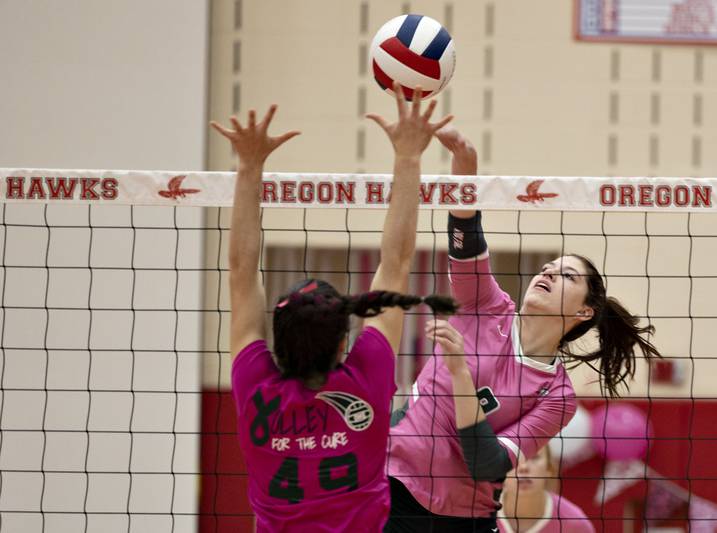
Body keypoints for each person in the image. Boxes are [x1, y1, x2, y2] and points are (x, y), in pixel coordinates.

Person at [385, 127, 661, 532]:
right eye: (548, 266)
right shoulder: (487, 305)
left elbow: (488, 464)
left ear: (585, 311)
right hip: (391, 486)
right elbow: (464, 239)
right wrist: (466, 172)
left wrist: (461, 373)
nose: (548, 272)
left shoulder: (558, 395)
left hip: (464, 517)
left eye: (567, 275)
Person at [211, 83, 454, 532]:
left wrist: (248, 167)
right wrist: (408, 157)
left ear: (276, 341)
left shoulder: (256, 385)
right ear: (345, 341)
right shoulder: (366, 374)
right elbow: (396, 262)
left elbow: (240, 271)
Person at [498, 445, 595, 533]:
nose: (524, 467)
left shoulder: (575, 524)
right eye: (513, 458)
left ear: (549, 469)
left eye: (534, 457)